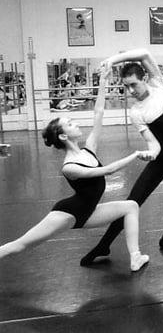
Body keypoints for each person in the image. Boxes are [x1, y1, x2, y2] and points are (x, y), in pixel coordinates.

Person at [0, 66, 149, 272]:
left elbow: (98, 113)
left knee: (131, 206)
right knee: (20, 245)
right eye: (70, 123)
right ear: (63, 136)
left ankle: (136, 257)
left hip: (88, 213)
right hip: (67, 214)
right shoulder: (69, 167)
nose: (76, 123)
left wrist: (104, 81)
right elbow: (108, 171)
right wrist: (135, 154)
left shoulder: (88, 150)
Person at [80, 48, 163, 266]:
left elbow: (144, 53)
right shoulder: (136, 112)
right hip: (161, 158)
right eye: (126, 86)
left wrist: (113, 59)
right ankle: (103, 245)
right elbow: (153, 143)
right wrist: (152, 153)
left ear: (144, 78)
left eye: (133, 84)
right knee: (132, 203)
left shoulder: (159, 85)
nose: (130, 90)